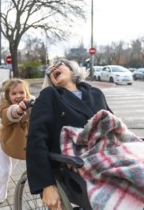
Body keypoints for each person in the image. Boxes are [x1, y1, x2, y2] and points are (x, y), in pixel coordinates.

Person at [26, 59, 114, 209]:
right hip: (74, 166)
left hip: (109, 156)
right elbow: (36, 137)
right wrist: (47, 184)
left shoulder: (96, 93)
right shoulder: (49, 95)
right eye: (49, 70)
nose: (52, 69)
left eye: (58, 64)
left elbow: (113, 125)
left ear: (72, 69)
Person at [0, 78, 34, 204]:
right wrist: (19, 110)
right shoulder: (4, 105)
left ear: (26, 92)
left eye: (21, 92)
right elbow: (7, 115)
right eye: (14, 93)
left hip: (24, 140)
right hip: (5, 140)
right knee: (4, 169)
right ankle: (0, 192)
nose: (18, 96)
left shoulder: (32, 101)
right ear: (8, 95)